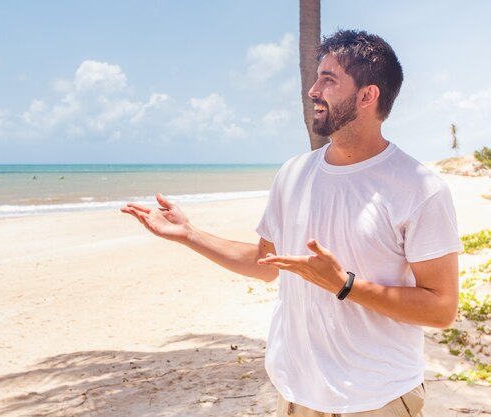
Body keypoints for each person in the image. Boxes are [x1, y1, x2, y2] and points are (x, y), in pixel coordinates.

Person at [121, 29, 462, 416]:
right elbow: (265, 264)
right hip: (297, 396)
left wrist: (344, 285)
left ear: (368, 95)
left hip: (378, 399)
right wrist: (189, 234)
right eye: (316, 78)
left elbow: (441, 308)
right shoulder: (294, 173)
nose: (313, 90)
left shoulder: (419, 187)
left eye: (329, 80)